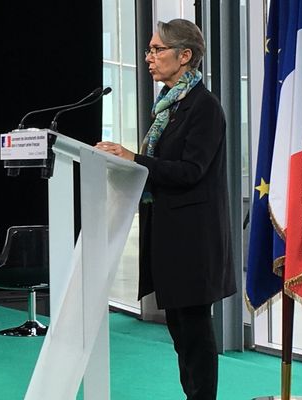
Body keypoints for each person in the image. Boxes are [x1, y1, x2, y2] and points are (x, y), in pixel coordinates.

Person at [95, 19, 236, 400]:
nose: (148, 58)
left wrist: (136, 159)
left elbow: (191, 171)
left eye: (157, 49)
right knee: (181, 333)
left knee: (193, 333)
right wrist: (124, 160)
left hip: (194, 239)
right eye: (149, 50)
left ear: (185, 55)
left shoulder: (203, 107)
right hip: (171, 234)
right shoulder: (170, 107)